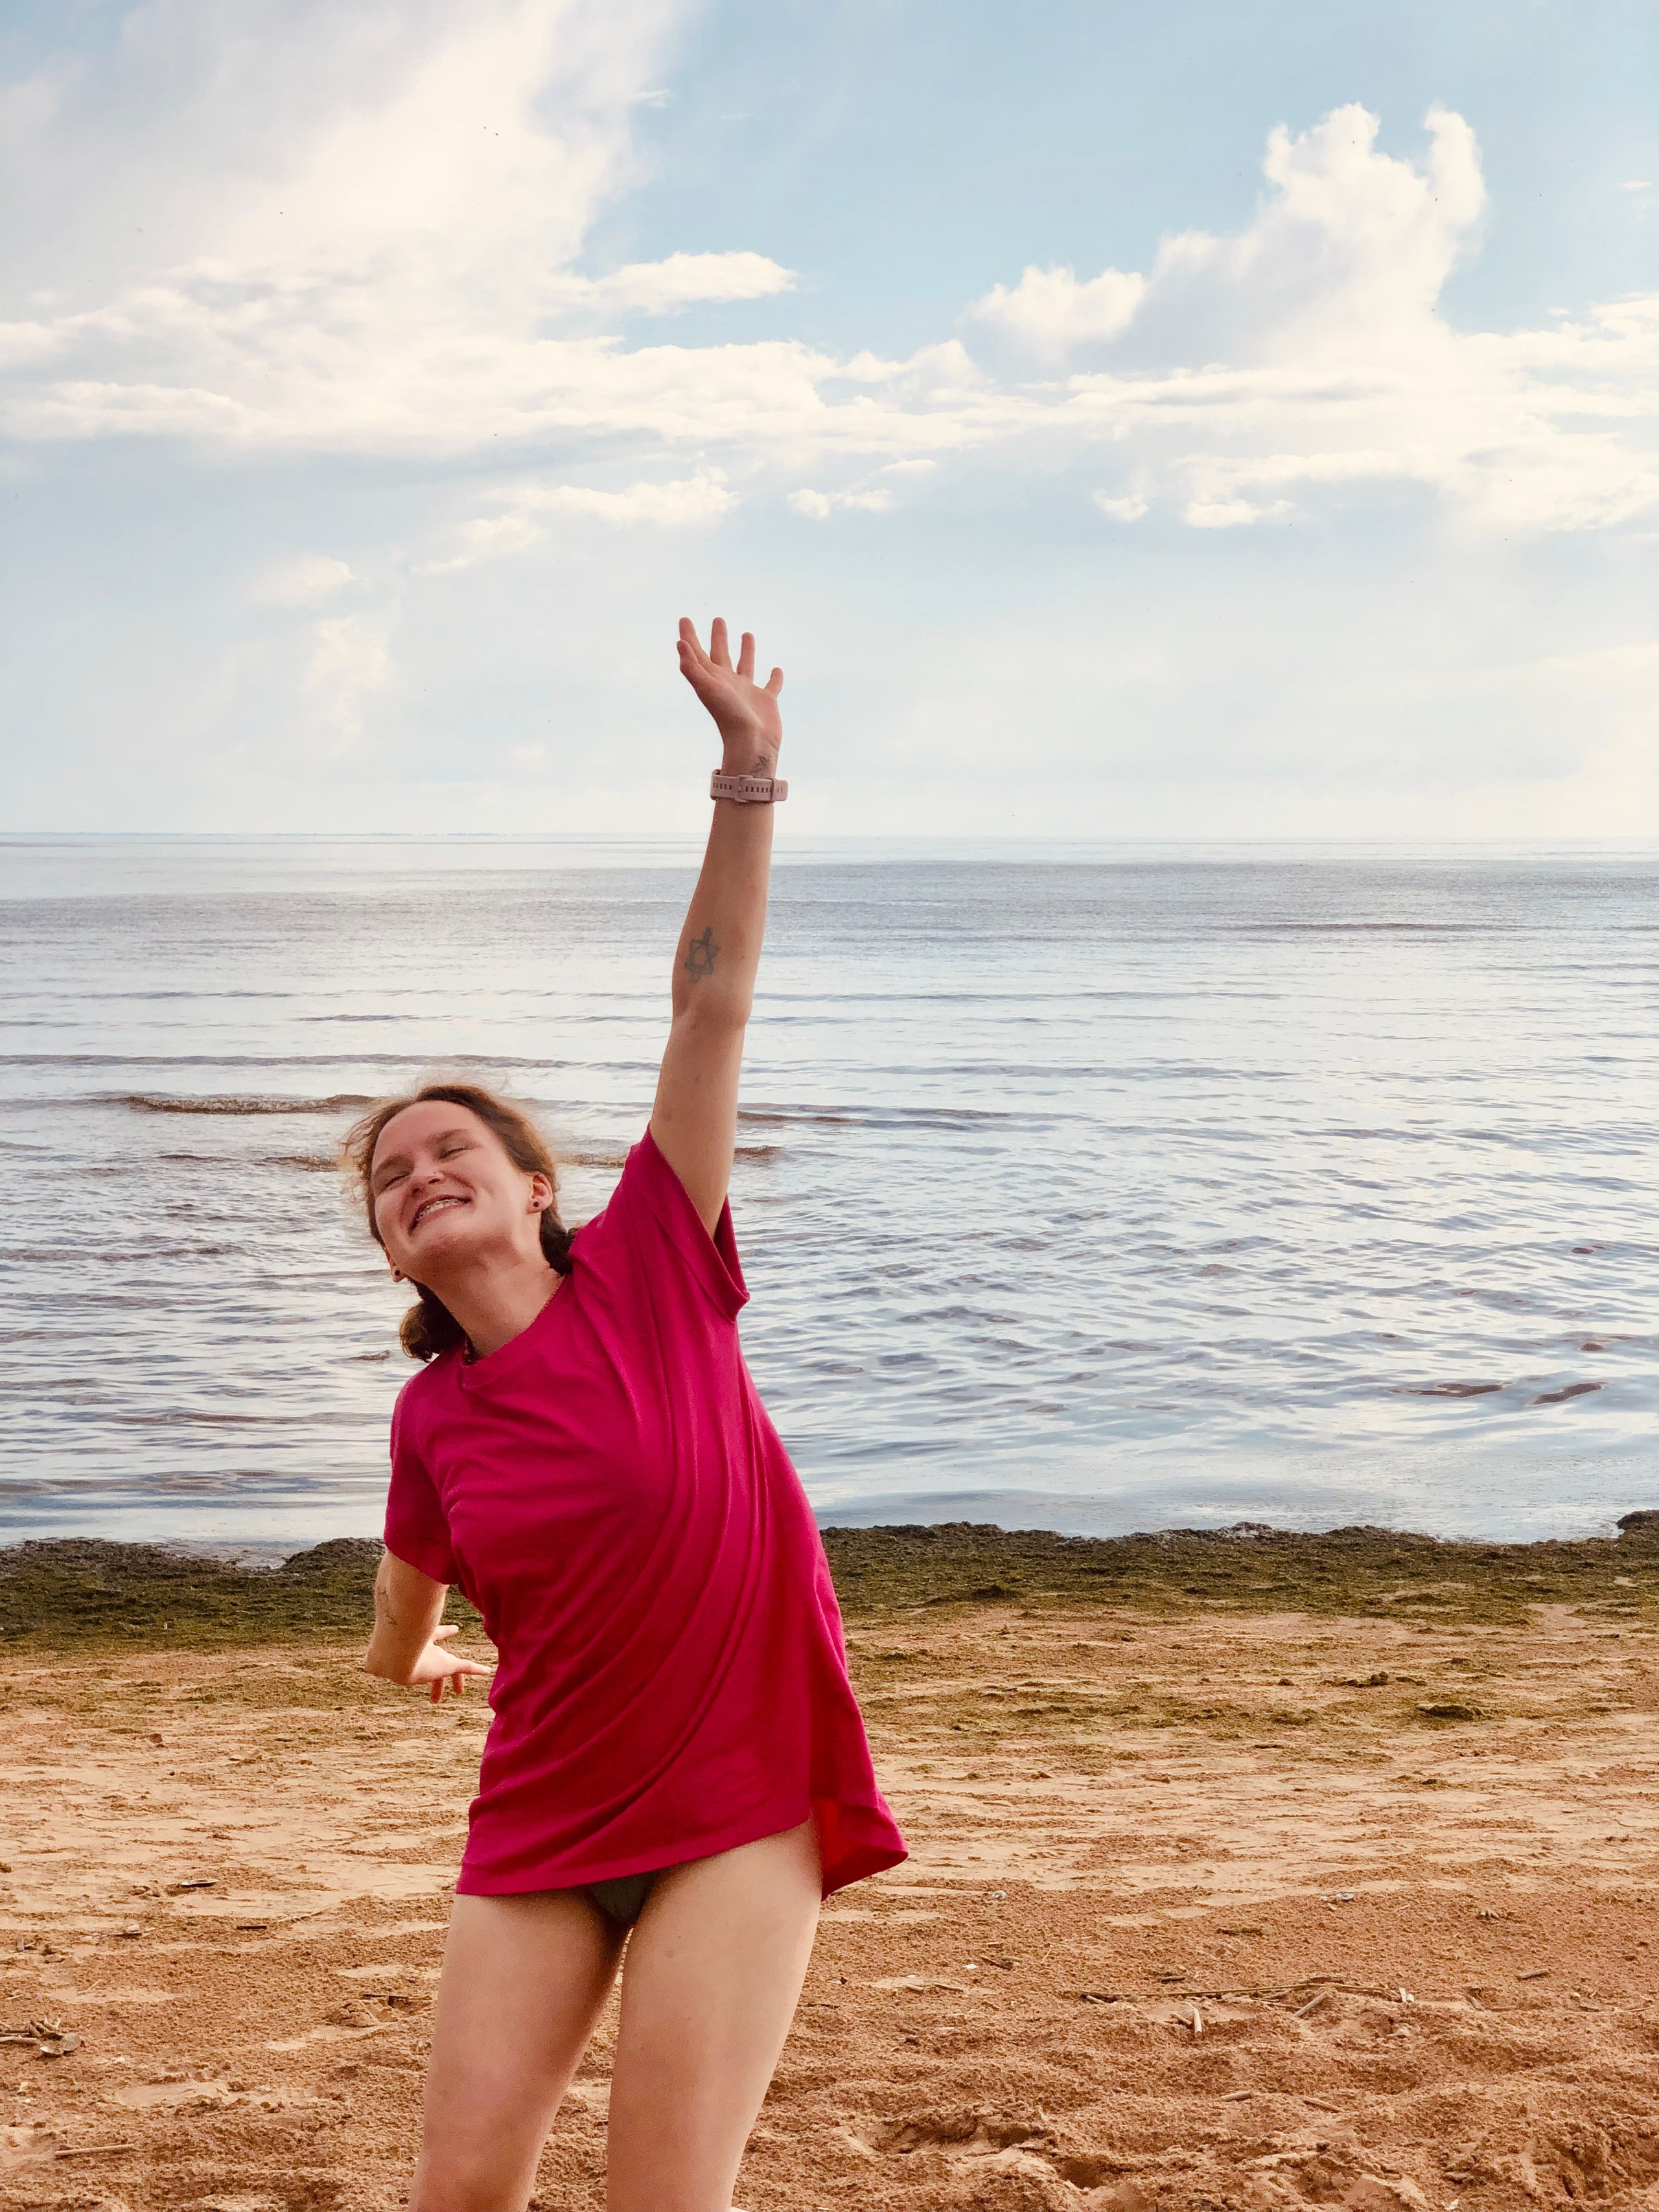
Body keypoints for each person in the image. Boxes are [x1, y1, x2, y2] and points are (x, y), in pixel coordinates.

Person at [343, 617, 906, 2212]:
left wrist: (745, 778)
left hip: (734, 1792)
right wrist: (409, 1660)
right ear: (388, 1242)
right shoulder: (431, 1420)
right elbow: (404, 1590)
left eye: (450, 1148)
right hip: (542, 1812)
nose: (419, 1172)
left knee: (659, 2200)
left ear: (536, 1187)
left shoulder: (657, 1262)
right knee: (457, 2196)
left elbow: (707, 1009)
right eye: (390, 1179)